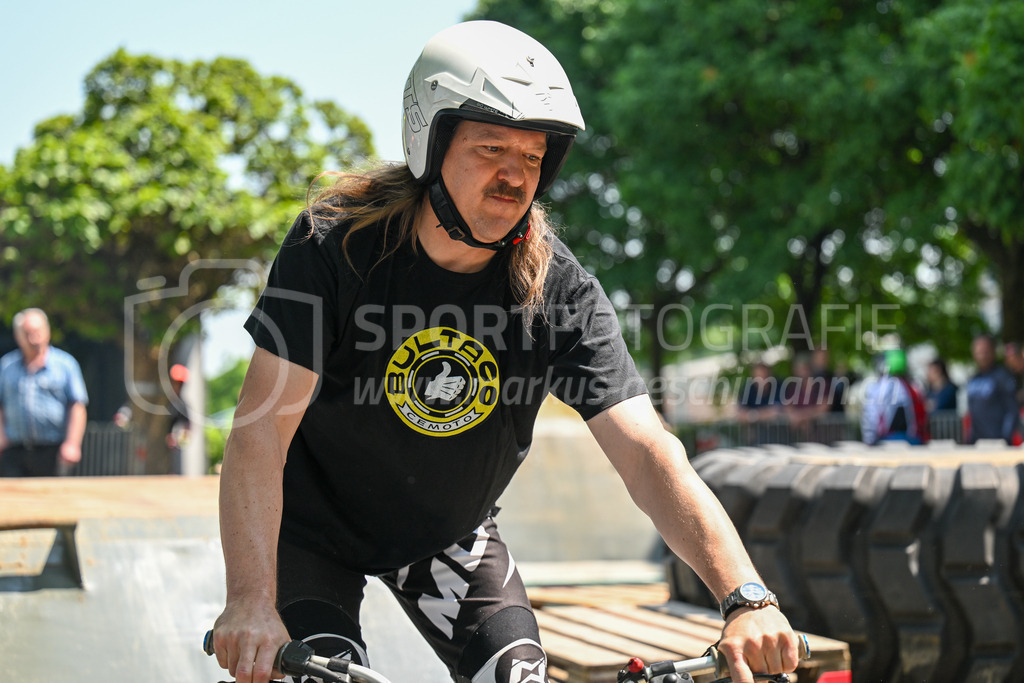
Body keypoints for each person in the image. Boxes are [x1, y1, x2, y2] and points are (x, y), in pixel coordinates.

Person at [210, 21, 798, 683]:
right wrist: (249, 600)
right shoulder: (334, 247)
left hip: (446, 535)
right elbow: (260, 432)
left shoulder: (560, 290)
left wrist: (746, 595)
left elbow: (647, 450)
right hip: (309, 530)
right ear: (429, 144)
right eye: (492, 148)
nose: (514, 175)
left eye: (532, 156)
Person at [0, 308, 89, 477]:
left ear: (47, 331)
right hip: (14, 450)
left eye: (38, 331)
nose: (34, 338)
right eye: (28, 333)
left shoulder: (65, 365)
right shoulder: (6, 366)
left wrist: (72, 443)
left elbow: (77, 406)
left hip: (52, 450)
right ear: (18, 336)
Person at [860, 349, 929, 446]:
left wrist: (869, 440)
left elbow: (872, 416)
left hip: (888, 439)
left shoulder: (880, 387)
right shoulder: (913, 386)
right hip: (913, 439)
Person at [965, 334, 1020, 444]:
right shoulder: (973, 379)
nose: (982, 356)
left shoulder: (1003, 376)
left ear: (993, 351)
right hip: (977, 442)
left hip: (998, 441)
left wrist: (1005, 437)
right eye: (979, 352)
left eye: (985, 351)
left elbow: (1012, 410)